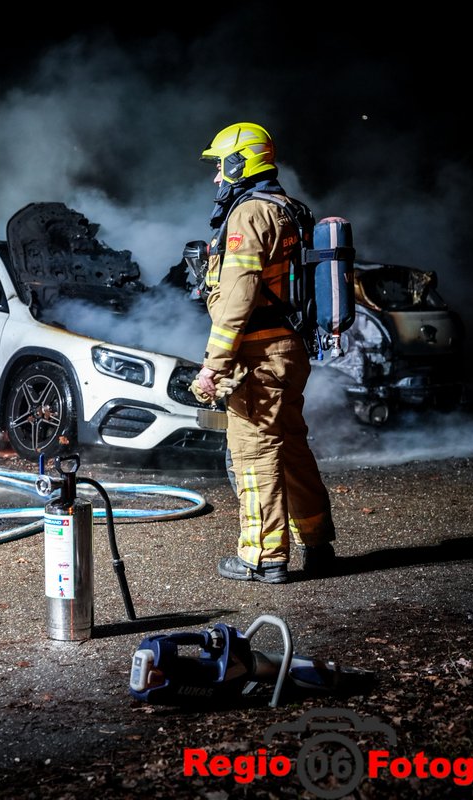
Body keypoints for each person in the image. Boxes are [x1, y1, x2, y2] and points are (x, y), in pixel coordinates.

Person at [190, 122, 337, 583]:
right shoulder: (290, 208)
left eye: (220, 165)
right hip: (290, 349)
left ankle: (262, 557)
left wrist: (214, 365)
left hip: (260, 351)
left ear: (240, 162)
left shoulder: (249, 214)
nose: (217, 177)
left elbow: (237, 296)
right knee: (290, 447)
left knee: (254, 453)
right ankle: (317, 542)